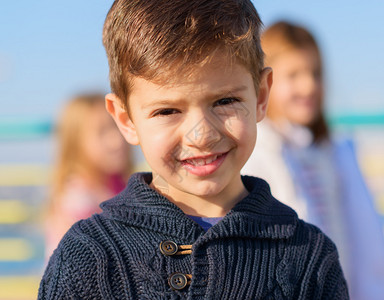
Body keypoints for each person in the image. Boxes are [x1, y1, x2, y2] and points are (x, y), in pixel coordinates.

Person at [38, 2, 349, 299]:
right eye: (168, 111)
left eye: (225, 101)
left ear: (261, 95)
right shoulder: (85, 258)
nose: (201, 135)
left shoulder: (310, 259)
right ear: (125, 118)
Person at [242, 21, 384, 300]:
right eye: (294, 75)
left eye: (315, 73)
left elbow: (366, 235)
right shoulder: (257, 154)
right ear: (265, 83)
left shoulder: (336, 152)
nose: (309, 85)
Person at [44, 93, 133, 259]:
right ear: (75, 143)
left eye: (118, 127)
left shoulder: (118, 184)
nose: (117, 140)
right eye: (102, 132)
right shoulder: (78, 201)